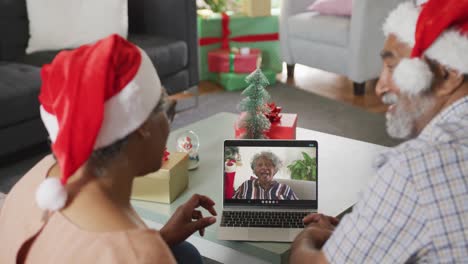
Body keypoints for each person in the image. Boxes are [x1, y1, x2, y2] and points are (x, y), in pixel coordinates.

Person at [0, 34, 216, 264]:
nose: (169, 123)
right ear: (142, 126)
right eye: (168, 111)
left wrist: (160, 238)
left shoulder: (34, 178)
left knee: (187, 253)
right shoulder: (142, 255)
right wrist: (150, 247)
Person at [290, 0, 468, 263]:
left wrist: (306, 238)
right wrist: (358, 234)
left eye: (393, 67)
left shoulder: (414, 170)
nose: (380, 88)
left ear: (448, 75)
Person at [233, 151, 298, 200]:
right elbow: (232, 206)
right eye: (260, 165)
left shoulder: (285, 189)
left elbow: (298, 208)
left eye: (268, 165)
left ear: (275, 169)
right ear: (254, 170)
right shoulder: (245, 186)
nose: (264, 168)